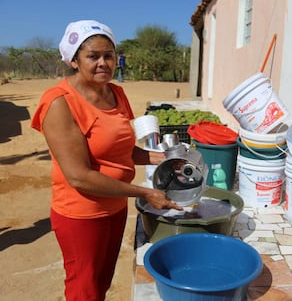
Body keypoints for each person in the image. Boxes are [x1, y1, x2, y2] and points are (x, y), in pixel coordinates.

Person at [31, 20, 182, 301]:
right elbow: (79, 176)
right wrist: (145, 192)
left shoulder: (117, 93)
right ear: (74, 60)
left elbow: (122, 151)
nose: (103, 63)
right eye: (93, 56)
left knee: (100, 284)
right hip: (82, 215)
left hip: (115, 208)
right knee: (83, 289)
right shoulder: (59, 103)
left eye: (109, 55)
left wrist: (163, 159)